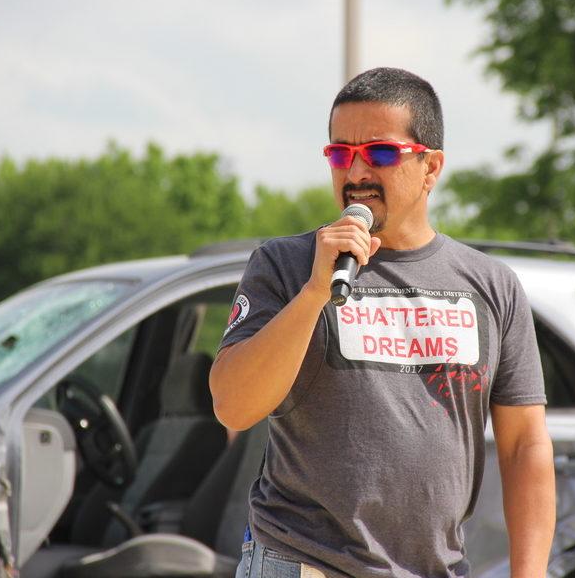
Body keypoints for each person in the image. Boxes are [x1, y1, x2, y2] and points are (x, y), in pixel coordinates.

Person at [209, 67, 555, 578]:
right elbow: (233, 407)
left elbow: (525, 444)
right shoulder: (285, 264)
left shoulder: (492, 285)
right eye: (340, 154)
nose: (356, 174)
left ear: (431, 168)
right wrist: (313, 293)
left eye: (381, 153)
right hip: (304, 565)